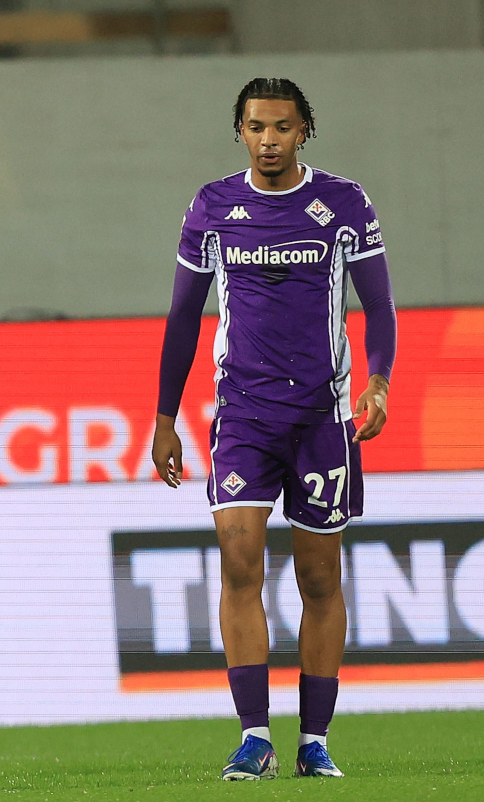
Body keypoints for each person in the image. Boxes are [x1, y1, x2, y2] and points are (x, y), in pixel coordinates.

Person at [151, 78, 396, 781]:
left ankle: (314, 740)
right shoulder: (213, 206)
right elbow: (180, 321)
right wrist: (164, 418)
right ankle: (254, 735)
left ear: (303, 132)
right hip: (244, 417)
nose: (269, 139)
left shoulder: (345, 206)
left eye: (283, 127)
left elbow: (379, 308)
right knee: (238, 560)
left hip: (323, 416)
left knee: (320, 578)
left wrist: (377, 380)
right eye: (257, 126)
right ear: (240, 131)